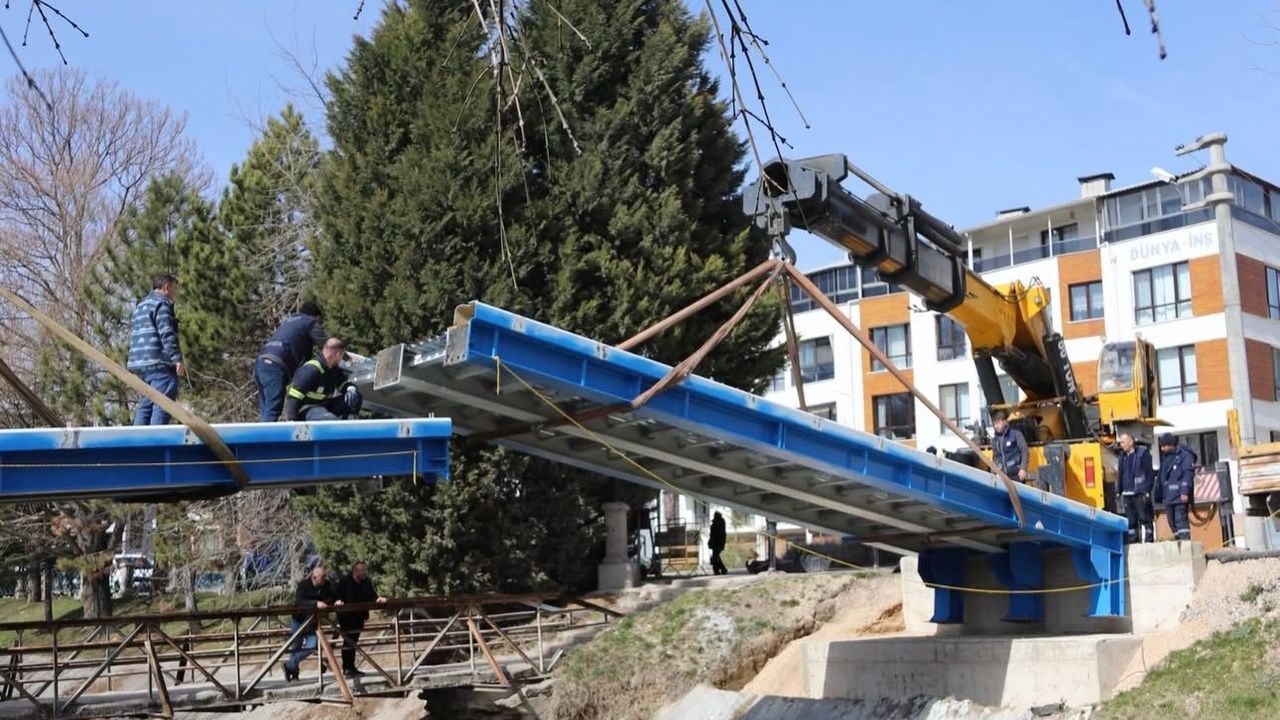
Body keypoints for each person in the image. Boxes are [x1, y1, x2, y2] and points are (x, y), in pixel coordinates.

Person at [126, 274, 185, 425]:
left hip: (140, 363)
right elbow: (166, 333)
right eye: (174, 288)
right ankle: (158, 437)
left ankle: (139, 437)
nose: (175, 293)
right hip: (158, 362)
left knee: (147, 404)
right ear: (166, 287)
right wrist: (176, 359)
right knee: (162, 405)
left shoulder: (140, 305)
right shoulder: (162, 304)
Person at [255, 301, 329, 422]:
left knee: (266, 410)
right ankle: (268, 434)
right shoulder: (309, 322)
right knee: (273, 410)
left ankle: (261, 433)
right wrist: (347, 359)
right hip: (275, 366)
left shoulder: (288, 321)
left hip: (261, 363)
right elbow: (330, 346)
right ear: (314, 316)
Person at [282, 564, 341, 681]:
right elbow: (299, 601)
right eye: (322, 577)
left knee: (312, 646)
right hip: (299, 620)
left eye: (325, 576)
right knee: (296, 647)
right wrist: (315, 603)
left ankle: (289, 665)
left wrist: (336, 601)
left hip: (312, 622)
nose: (324, 579)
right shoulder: (303, 585)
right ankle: (293, 673)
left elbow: (331, 597)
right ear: (314, 577)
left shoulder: (327, 585)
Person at [283, 338, 363, 421]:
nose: (342, 359)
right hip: (307, 408)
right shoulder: (311, 370)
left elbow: (342, 383)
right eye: (342, 356)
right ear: (338, 354)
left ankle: (350, 424)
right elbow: (294, 397)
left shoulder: (332, 369)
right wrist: (293, 421)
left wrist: (350, 388)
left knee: (356, 397)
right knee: (328, 419)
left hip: (324, 405)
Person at [336, 561, 387, 677]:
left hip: (359, 616)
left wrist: (378, 599)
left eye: (364, 570)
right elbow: (337, 596)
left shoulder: (366, 582)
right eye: (361, 570)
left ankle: (351, 667)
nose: (363, 573)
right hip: (346, 617)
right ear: (355, 571)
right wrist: (338, 601)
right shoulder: (345, 582)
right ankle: (347, 667)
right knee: (348, 641)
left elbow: (372, 595)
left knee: (354, 640)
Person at [1155, 433, 1196, 541]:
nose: (1162, 449)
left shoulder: (1184, 456)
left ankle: (1185, 542)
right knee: (1172, 522)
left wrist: (1184, 492)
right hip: (1168, 497)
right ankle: (1178, 542)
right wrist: (1158, 495)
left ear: (1171, 444)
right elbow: (1161, 477)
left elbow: (1187, 475)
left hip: (1179, 497)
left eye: (1164, 446)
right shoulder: (1166, 458)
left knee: (1180, 521)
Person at [1116, 432, 1155, 544]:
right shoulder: (1122, 456)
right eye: (1121, 442)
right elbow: (1120, 474)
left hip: (1140, 492)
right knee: (1131, 520)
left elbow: (1150, 473)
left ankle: (1149, 541)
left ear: (1131, 442)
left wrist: (1147, 490)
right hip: (1127, 494)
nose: (1121, 445)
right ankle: (1133, 542)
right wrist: (1119, 491)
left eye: (1123, 442)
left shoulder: (1142, 453)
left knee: (1145, 517)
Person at [991, 410, 1029, 482]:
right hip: (1002, 477)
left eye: (998, 423)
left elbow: (1024, 451)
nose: (996, 426)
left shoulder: (1016, 434)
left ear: (1005, 422)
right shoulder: (994, 440)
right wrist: (995, 472)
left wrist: (1023, 468)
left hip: (1017, 475)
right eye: (994, 424)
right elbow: (995, 458)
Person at [708, 512, 728, 576]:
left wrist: (711, 542)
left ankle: (717, 570)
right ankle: (722, 569)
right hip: (717, 543)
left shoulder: (717, 525)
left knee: (715, 557)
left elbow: (714, 535)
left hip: (717, 543)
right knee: (716, 556)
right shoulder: (719, 524)